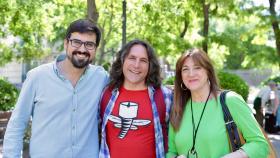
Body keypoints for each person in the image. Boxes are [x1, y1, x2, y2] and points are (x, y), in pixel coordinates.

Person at [3, 19, 108, 158]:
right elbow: (17, 125)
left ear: (96, 48)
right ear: (66, 43)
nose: (82, 50)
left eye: (89, 44)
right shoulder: (37, 77)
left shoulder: (102, 78)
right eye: (76, 42)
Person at [167, 48, 269, 158]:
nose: (191, 74)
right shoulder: (178, 108)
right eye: (185, 69)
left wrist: (233, 156)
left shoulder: (230, 101)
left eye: (197, 67)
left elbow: (261, 145)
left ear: (208, 71)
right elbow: (171, 152)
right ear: (180, 76)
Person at [99, 39, 173, 158]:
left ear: (150, 66)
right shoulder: (106, 94)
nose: (136, 65)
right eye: (132, 58)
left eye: (143, 60)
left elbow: (178, 136)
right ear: (122, 61)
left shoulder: (165, 96)